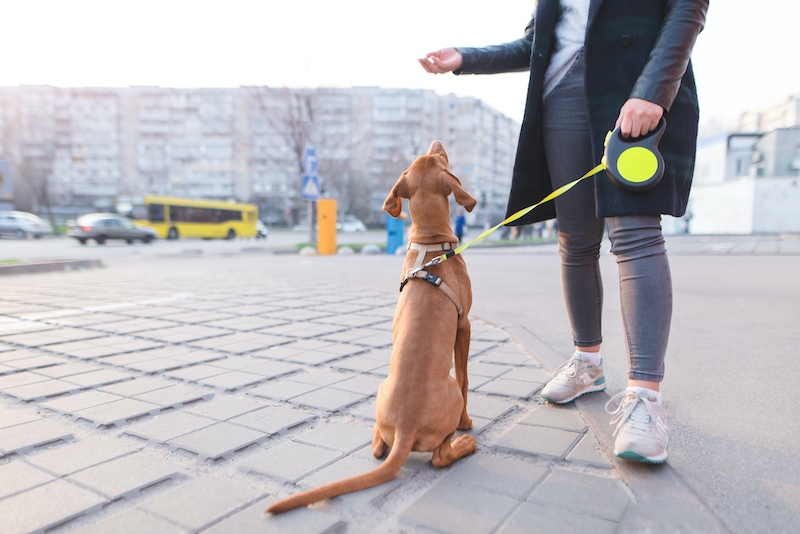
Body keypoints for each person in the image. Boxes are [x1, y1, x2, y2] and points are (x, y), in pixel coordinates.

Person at [420, 0, 707, 464]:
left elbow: (687, 8)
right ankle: (587, 363)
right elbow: (538, 42)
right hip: (562, 98)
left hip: (632, 86)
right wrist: (466, 58)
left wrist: (655, 90)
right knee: (575, 239)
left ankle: (645, 398)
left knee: (635, 235)